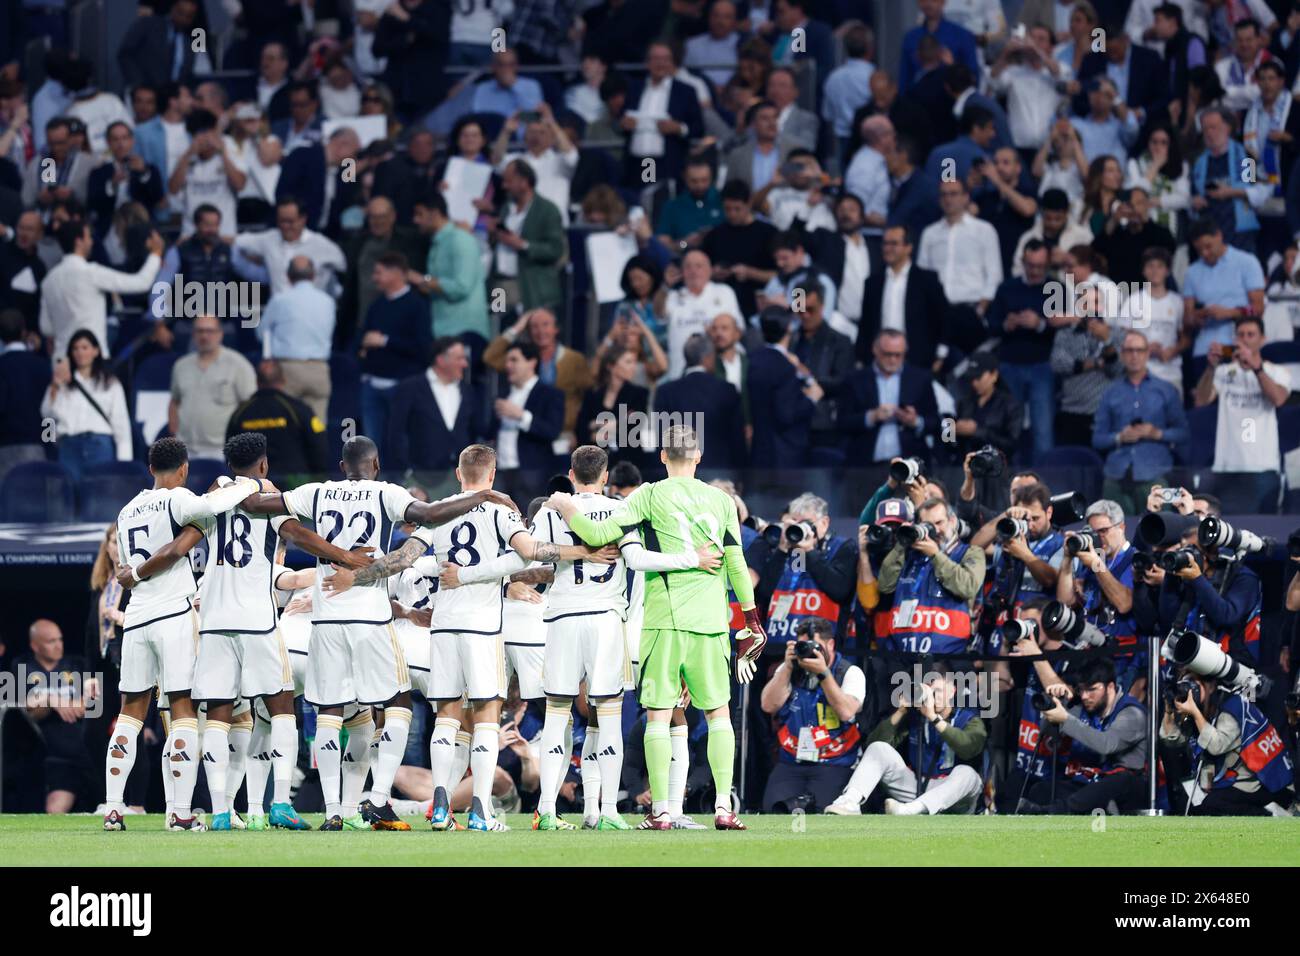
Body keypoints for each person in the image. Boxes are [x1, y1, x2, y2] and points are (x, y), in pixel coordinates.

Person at [234, 436, 516, 828]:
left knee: (329, 711)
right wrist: (484, 497)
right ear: (377, 464)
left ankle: (334, 810)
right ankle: (379, 797)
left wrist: (246, 483)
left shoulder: (316, 493)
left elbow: (256, 505)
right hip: (372, 618)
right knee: (399, 703)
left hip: (326, 617)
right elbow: (430, 514)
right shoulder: (386, 493)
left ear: (340, 465)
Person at [121, 432, 370, 830]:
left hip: (215, 620)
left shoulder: (213, 498)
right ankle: (280, 803)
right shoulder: (268, 498)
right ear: (264, 464)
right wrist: (345, 555)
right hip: (257, 619)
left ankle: (221, 809)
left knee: (218, 714)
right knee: (281, 708)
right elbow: (298, 534)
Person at [547, 424, 765, 830]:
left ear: (663, 456)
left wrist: (566, 505)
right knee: (719, 715)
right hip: (711, 621)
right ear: (698, 457)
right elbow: (736, 562)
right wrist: (751, 619)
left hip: (664, 621)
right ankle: (723, 807)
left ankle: (661, 809)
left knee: (658, 717)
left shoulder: (648, 494)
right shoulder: (721, 500)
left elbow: (595, 534)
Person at [100, 438, 263, 831]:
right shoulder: (178, 499)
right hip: (173, 614)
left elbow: (167, 541)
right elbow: (204, 512)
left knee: (129, 713)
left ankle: (113, 809)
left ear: (150, 467)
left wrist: (137, 574)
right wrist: (245, 484)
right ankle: (180, 813)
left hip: (136, 616)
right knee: (183, 710)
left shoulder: (126, 511)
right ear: (184, 468)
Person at [824, 667, 987, 815]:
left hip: (954, 794)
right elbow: (873, 746)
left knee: (968, 774)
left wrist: (933, 718)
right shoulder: (915, 717)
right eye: (929, 691)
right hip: (917, 787)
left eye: (938, 691)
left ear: (952, 691)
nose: (933, 697)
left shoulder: (968, 718)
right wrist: (901, 711)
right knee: (879, 749)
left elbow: (968, 747)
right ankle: (849, 802)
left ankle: (912, 810)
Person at [759, 617, 865, 813]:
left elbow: (846, 711)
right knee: (774, 810)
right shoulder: (791, 667)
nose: (809, 651)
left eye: (814, 646)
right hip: (792, 760)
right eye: (803, 645)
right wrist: (788, 667)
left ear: (830, 644)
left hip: (834, 762)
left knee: (821, 811)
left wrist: (824, 674)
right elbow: (768, 705)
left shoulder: (849, 672)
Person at [1018, 657, 1149, 814]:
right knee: (1041, 789)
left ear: (1110, 687)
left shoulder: (1132, 713)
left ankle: (1056, 812)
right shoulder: (1085, 708)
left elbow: (1106, 744)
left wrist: (1066, 720)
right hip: (1090, 783)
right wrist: (1060, 703)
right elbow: (1045, 730)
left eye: (1092, 689)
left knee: (1121, 779)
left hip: (1126, 790)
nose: (1085, 696)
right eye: (1081, 690)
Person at [1160, 672, 1295, 815]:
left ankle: (1268, 814)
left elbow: (1216, 746)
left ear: (1211, 687)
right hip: (1232, 779)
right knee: (1186, 802)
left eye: (1194, 683)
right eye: (1186, 683)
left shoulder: (1232, 706)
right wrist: (1169, 711)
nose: (1189, 691)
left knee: (1213, 804)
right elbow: (1172, 740)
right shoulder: (1201, 710)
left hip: (1263, 782)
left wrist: (1194, 712)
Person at [1194, 316, 1292, 512]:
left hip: (1262, 467)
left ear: (1262, 339)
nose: (1245, 339)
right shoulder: (1223, 372)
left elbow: (1278, 399)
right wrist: (1211, 367)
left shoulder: (1277, 371)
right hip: (1225, 467)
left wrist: (1257, 369)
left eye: (1251, 334)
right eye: (1241, 334)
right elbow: (1201, 401)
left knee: (1262, 533)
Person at [1093, 329, 1188, 514]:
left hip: (1155, 472)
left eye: (1139, 350)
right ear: (1122, 354)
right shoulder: (1110, 392)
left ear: (1147, 353)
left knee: (1159, 533)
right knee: (1112, 534)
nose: (1134, 356)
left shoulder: (1166, 390)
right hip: (1116, 472)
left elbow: (1183, 433)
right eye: (1129, 350)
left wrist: (1156, 433)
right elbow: (1097, 439)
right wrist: (1120, 437)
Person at [39, 219, 163, 359]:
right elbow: (142, 282)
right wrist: (156, 254)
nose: (91, 242)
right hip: (91, 360)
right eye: (88, 237)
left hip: (61, 360)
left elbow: (46, 327)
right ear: (78, 241)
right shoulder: (91, 273)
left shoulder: (49, 280)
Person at [987, 240, 1060, 461]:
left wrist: (1039, 324)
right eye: (1030, 265)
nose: (1035, 271)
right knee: (1010, 427)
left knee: (1043, 429)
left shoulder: (1055, 288)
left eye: (1040, 266)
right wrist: (1006, 325)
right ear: (1023, 262)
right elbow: (992, 324)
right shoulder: (1007, 288)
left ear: (1047, 264)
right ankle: (1010, 481)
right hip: (1010, 364)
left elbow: (1064, 329)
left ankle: (1045, 484)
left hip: (1042, 364)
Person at [1055, 499, 1140, 682]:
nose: (1098, 537)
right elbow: (1066, 601)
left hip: (1119, 659)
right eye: (1093, 532)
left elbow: (1124, 604)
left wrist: (1096, 564)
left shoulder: (1134, 560)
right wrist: (1068, 559)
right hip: (1089, 654)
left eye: (1103, 530)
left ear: (1122, 527)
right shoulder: (1089, 562)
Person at [358, 252, 431, 461]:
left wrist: (386, 341)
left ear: (396, 273)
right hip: (372, 385)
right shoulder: (377, 305)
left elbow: (423, 348)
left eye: (379, 272)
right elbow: (363, 337)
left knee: (400, 443)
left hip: (402, 385)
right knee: (371, 447)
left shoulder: (417, 305)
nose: (374, 278)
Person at [18, 619, 96, 813]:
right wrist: (49, 698)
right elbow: (31, 709)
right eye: (51, 641)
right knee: (55, 811)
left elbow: (93, 702)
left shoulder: (77, 664)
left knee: (105, 808)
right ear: (35, 646)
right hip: (59, 756)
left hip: (90, 752)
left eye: (59, 639)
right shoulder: (24, 666)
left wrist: (80, 701)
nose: (58, 645)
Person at [917, 178, 1002, 354]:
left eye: (954, 194)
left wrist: (980, 311)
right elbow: (922, 276)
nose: (948, 199)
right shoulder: (929, 233)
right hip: (937, 314)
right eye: (944, 194)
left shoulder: (984, 230)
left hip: (971, 311)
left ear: (966, 197)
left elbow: (994, 275)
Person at [484, 308, 592, 441]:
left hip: (563, 436)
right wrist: (517, 327)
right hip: (526, 433)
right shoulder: (521, 359)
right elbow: (490, 357)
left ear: (556, 328)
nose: (540, 331)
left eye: (545, 325)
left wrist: (578, 432)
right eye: (534, 327)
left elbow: (588, 394)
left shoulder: (574, 359)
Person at [40, 329, 132, 482]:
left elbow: (121, 425)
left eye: (84, 347)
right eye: (75, 348)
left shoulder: (110, 383)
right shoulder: (62, 384)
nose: (80, 352)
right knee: (71, 499)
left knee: (99, 497)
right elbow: (46, 413)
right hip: (69, 446)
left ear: (95, 351)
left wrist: (124, 463)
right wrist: (56, 384)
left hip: (99, 445)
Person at [839, 329, 938, 468]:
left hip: (910, 464)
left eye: (898, 355)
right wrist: (871, 417)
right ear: (875, 350)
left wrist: (915, 421)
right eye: (887, 354)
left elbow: (937, 421)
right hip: (865, 464)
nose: (893, 360)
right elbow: (841, 422)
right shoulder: (855, 380)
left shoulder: (920, 379)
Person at [855, 224, 947, 371]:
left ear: (908, 247)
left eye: (894, 243)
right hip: (879, 360)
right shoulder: (873, 282)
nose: (887, 248)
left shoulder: (927, 280)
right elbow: (866, 324)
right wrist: (861, 357)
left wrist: (940, 355)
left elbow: (942, 319)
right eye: (885, 243)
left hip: (917, 359)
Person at [386, 337, 484, 473]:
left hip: (461, 478)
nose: (465, 364)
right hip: (421, 479)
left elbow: (474, 430)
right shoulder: (410, 388)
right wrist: (408, 473)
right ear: (441, 360)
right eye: (459, 359)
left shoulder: (468, 391)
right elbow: (396, 434)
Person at [408, 192, 488, 352]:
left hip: (465, 331)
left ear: (435, 213)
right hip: (443, 331)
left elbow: (462, 286)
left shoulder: (460, 239)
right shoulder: (437, 243)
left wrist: (422, 280)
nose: (415, 220)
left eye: (420, 214)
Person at [257, 257, 335, 421]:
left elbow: (262, 332)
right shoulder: (328, 301)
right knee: (317, 427)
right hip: (319, 369)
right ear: (313, 276)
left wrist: (268, 356)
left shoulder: (280, 299)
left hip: (287, 369)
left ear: (288, 276)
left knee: (287, 425)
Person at [618, 42, 704, 190]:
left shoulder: (685, 91)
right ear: (647, 63)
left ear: (672, 63)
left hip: (663, 162)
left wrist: (679, 128)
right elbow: (621, 119)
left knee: (657, 201)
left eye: (665, 59)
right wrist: (624, 124)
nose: (660, 63)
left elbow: (698, 127)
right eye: (656, 58)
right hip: (637, 162)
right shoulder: (634, 88)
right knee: (641, 202)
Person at [224, 360, 329, 482]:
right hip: (294, 486)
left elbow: (230, 452)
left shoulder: (240, 413)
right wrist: (319, 479)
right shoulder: (299, 409)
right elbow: (319, 446)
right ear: (283, 381)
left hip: (253, 487)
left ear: (257, 382)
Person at [1181, 217, 1266, 358]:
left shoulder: (1247, 262)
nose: (1204, 253)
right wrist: (1198, 317)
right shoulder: (1192, 271)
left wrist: (1229, 313)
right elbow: (1187, 319)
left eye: (1208, 246)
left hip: (1237, 347)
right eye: (1199, 249)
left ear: (1219, 236)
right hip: (1204, 350)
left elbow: (1258, 309)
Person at [233, 196, 347, 299]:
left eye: (290, 221)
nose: (285, 226)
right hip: (279, 312)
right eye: (282, 221)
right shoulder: (268, 239)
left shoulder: (324, 246)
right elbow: (235, 242)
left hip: (312, 313)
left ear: (303, 219)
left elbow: (345, 272)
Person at [490, 159, 566, 312]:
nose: (504, 186)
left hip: (530, 285)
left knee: (529, 329)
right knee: (499, 328)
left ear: (524, 182)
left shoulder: (547, 210)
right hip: (500, 285)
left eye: (508, 181)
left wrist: (522, 245)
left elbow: (556, 250)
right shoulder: (506, 208)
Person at [663, 248, 742, 381]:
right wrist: (665, 287)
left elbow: (738, 330)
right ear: (682, 271)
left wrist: (715, 334)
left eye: (699, 266)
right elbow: (659, 314)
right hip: (680, 374)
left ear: (710, 270)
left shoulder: (724, 292)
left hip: (720, 373)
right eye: (688, 266)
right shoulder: (671, 296)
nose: (693, 271)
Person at [1114, 247, 1185, 390]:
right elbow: (1120, 333)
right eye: (1150, 266)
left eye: (1160, 266)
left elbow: (1185, 337)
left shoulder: (1178, 302)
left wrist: (1173, 350)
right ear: (1143, 271)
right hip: (1139, 374)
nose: (1155, 271)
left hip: (1171, 374)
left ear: (1167, 271)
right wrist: (1145, 347)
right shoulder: (1133, 300)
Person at [168, 109, 245, 240]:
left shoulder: (229, 147)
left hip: (224, 234)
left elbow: (239, 184)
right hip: (190, 233)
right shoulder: (185, 153)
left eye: (209, 133)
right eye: (200, 135)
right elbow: (173, 188)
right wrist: (188, 155)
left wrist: (223, 154)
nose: (206, 140)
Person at [492, 340, 565, 474]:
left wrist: (522, 416)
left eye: (514, 360)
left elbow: (552, 431)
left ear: (532, 362)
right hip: (500, 472)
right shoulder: (503, 394)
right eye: (507, 361)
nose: (508, 365)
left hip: (532, 473)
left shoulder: (550, 394)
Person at [577, 345, 653, 466]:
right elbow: (580, 429)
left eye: (634, 362)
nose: (633, 367)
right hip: (593, 463)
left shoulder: (639, 394)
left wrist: (596, 427)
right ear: (611, 366)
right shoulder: (592, 394)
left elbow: (632, 428)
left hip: (629, 461)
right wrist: (617, 424)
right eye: (628, 362)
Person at [0, 308, 51, 480]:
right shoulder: (43, 366)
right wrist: (49, 443)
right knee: (36, 502)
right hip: (37, 445)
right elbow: (49, 411)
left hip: (5, 446)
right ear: (24, 332)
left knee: (6, 504)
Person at [87, 122, 164, 235]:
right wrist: (112, 185)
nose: (121, 144)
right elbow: (93, 205)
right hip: (110, 231)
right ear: (108, 143)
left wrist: (143, 174)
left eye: (125, 138)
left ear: (132, 141)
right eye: (115, 139)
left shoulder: (149, 169)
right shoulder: (98, 173)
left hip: (143, 229)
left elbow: (157, 197)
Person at [949, 351, 1022, 464]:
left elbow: (1012, 445)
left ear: (994, 375)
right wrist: (952, 431)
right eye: (972, 378)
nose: (975, 383)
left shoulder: (1010, 404)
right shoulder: (963, 403)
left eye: (978, 377)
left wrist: (976, 431)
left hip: (998, 469)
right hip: (966, 466)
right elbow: (948, 440)